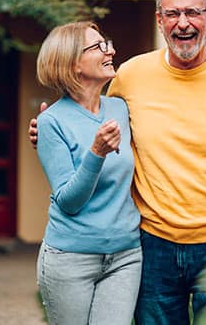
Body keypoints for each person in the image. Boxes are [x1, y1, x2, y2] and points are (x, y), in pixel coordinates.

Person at [30, 0, 206, 324]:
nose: (182, 23)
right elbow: (90, 116)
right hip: (152, 244)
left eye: (192, 12)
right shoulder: (131, 75)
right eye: (172, 14)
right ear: (160, 20)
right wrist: (47, 130)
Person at [34, 21, 142, 325]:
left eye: (106, 43)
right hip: (71, 258)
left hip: (125, 255)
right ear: (72, 64)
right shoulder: (51, 122)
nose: (111, 50)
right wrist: (96, 153)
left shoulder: (120, 108)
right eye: (99, 47)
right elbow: (68, 201)